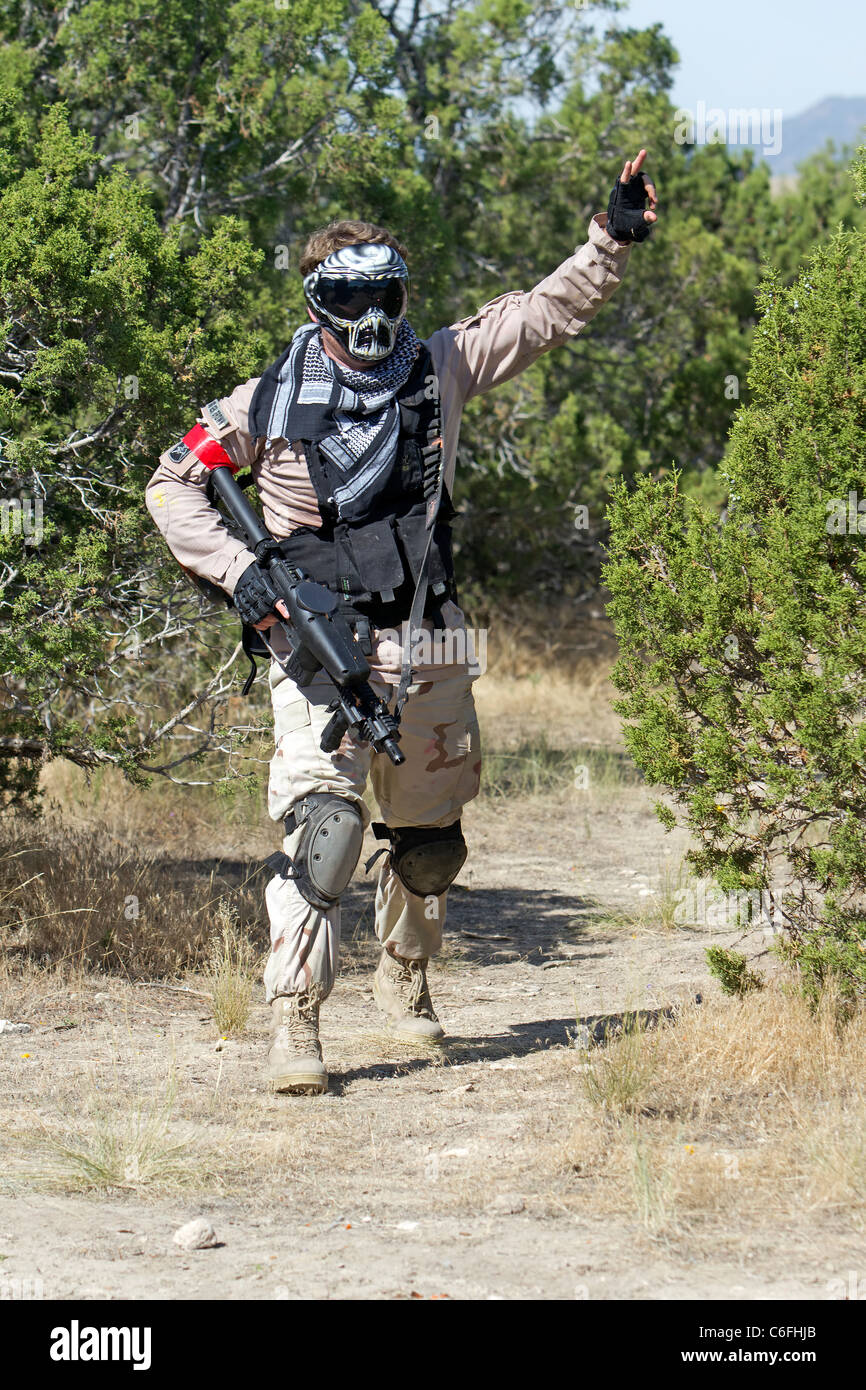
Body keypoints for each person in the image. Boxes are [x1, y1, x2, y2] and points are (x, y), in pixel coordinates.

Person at [146, 150, 659, 1094]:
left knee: (431, 843)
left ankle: (407, 973)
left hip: (430, 636)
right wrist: (247, 578)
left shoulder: (440, 365)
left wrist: (611, 239)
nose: (373, 319)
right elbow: (172, 483)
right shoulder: (266, 400)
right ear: (318, 306)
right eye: (353, 301)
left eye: (388, 295)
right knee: (326, 827)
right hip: (314, 645)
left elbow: (542, 314)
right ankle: (295, 1018)